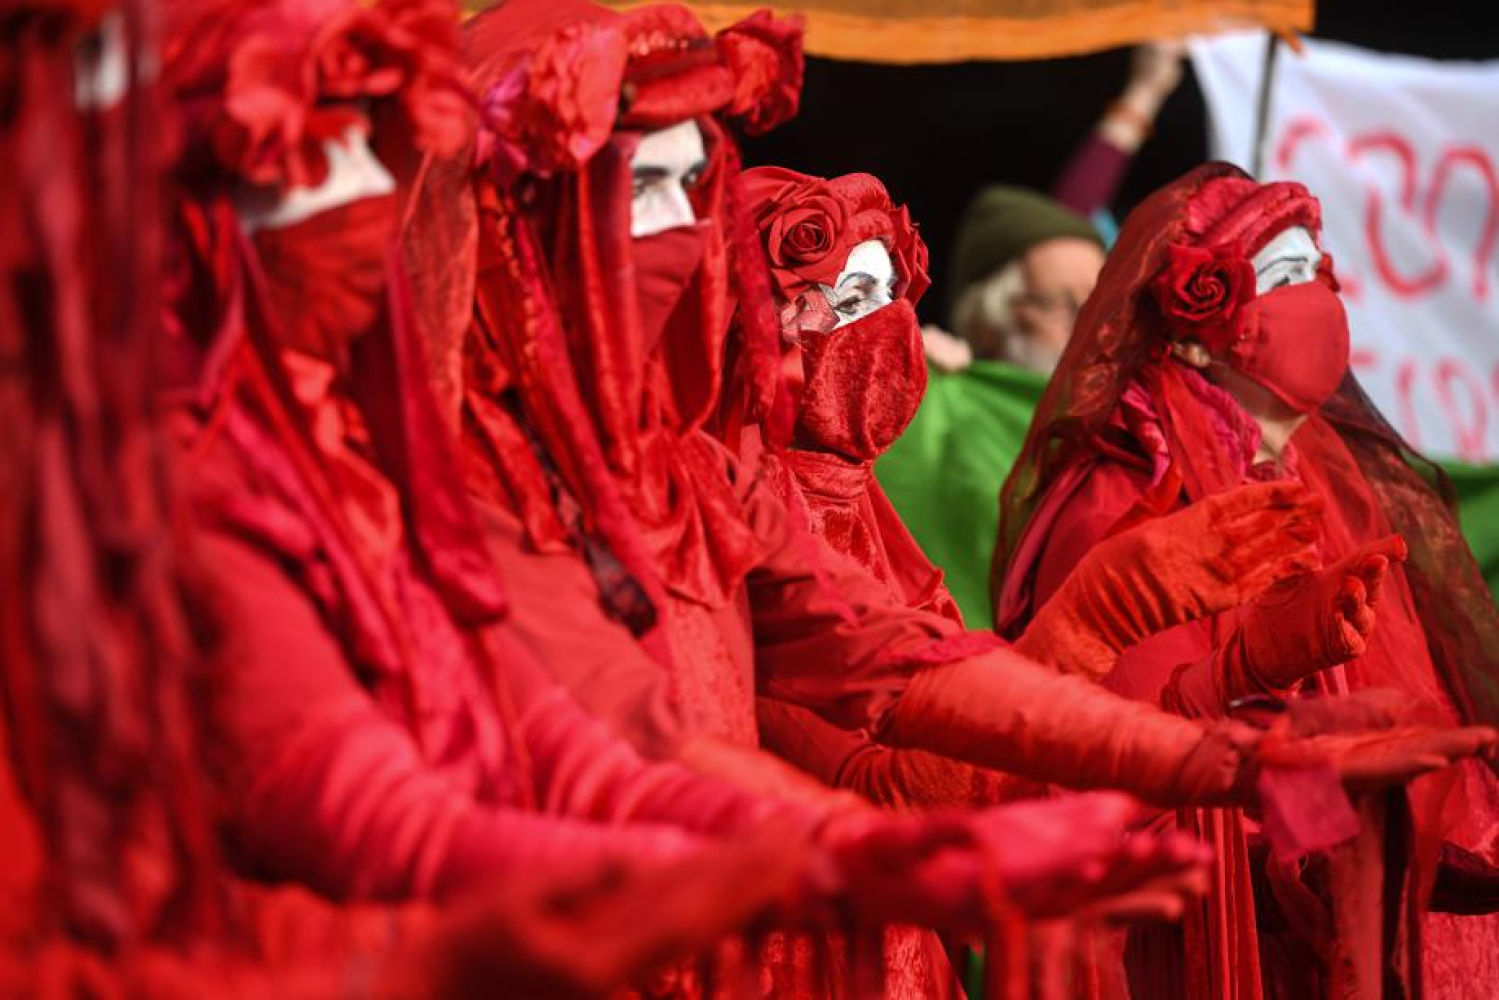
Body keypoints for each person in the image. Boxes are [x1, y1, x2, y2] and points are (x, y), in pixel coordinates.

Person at [994, 162, 1499, 998]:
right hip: (1210, 941)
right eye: (1283, 276)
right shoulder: (1130, 500)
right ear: (1193, 325)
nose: (1318, 298)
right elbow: (1134, 770)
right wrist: (1333, 834)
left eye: (1318, 270)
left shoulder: (1321, 480)